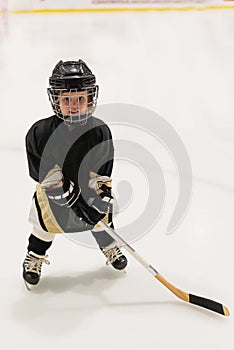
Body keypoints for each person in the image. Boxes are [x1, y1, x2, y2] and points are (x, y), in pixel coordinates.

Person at [23, 59, 128, 289]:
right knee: (44, 226)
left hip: (88, 187)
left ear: (90, 98)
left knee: (100, 220)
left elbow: (101, 173)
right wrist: (67, 196)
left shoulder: (99, 131)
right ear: (56, 101)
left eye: (80, 99)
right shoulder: (40, 133)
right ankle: (35, 256)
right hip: (54, 192)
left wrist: (98, 199)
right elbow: (44, 174)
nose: (73, 105)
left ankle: (109, 246)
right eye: (67, 100)